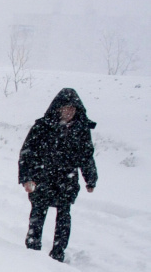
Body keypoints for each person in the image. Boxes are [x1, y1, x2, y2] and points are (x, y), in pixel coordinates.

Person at [18, 88, 97, 262]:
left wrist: (90, 179)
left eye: (73, 109)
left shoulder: (81, 129)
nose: (69, 112)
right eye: (66, 108)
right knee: (38, 212)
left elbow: (86, 156)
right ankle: (32, 247)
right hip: (42, 176)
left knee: (64, 216)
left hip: (66, 180)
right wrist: (27, 178)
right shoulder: (42, 126)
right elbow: (27, 152)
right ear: (58, 108)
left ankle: (58, 253)